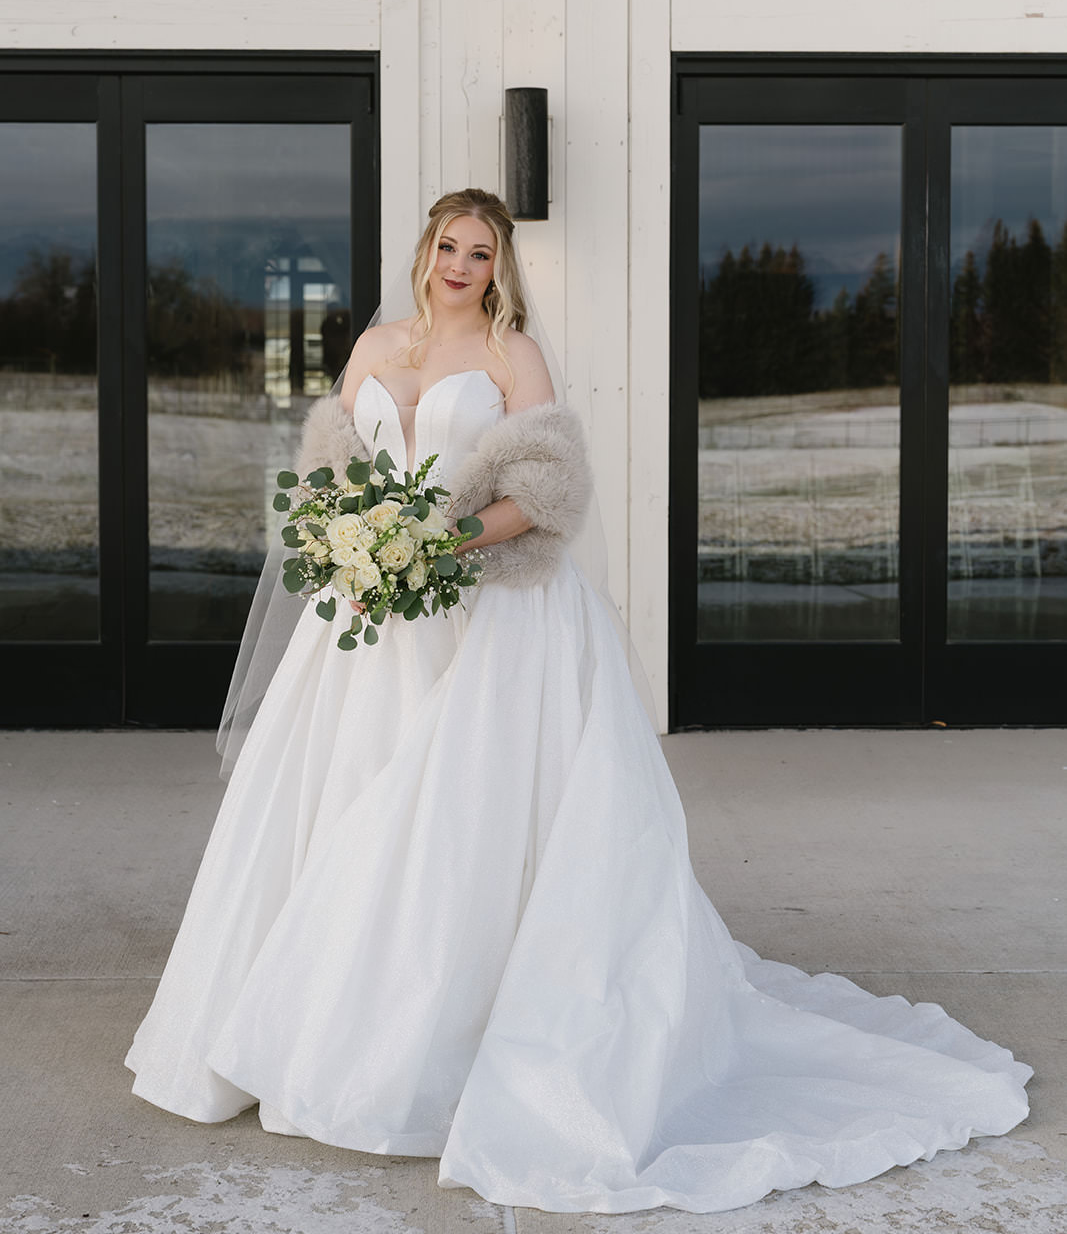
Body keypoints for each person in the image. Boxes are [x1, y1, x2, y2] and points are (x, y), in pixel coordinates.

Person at [126, 187, 1031, 1215]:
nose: (460, 264)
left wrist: (440, 540)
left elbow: (548, 490)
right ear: (423, 250)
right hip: (370, 617)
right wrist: (358, 539)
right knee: (343, 798)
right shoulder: (375, 345)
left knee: (454, 815)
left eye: (479, 251)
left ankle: (444, 1033)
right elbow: (332, 470)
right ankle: (298, 1021)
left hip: (488, 612)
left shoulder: (511, 354)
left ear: (498, 265)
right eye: (447, 245)